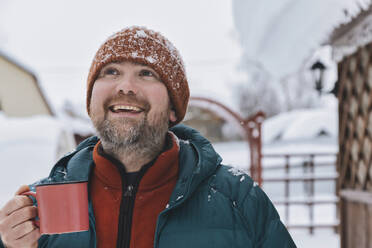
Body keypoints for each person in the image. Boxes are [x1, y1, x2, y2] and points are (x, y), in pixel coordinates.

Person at [0, 26, 296, 248]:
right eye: (111, 71)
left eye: (146, 73)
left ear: (172, 108)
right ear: (91, 102)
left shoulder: (238, 200)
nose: (126, 86)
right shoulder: (44, 208)